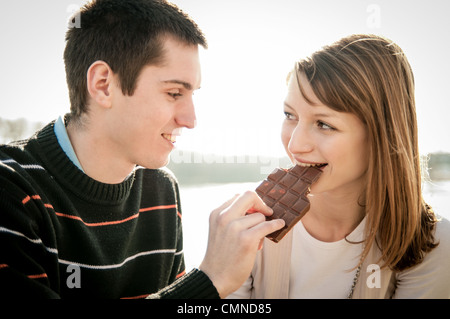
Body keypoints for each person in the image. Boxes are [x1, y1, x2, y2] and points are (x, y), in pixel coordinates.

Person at [0, 0, 284, 299]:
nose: (190, 120)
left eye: (191, 95)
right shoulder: (11, 193)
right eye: (174, 93)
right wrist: (211, 281)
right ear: (103, 85)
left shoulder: (160, 189)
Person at [228, 34, 450, 299]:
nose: (295, 145)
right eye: (290, 115)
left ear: (381, 135)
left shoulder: (431, 243)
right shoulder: (245, 225)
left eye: (324, 124)